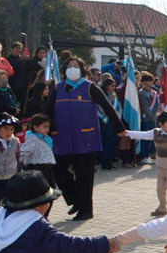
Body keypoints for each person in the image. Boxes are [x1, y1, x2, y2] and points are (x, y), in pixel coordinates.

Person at [43, 57, 126, 220]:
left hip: (85, 138)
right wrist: (41, 129)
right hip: (61, 138)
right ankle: (75, 199)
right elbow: (48, 111)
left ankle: (86, 209)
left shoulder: (90, 88)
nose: (72, 68)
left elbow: (107, 108)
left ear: (82, 70)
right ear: (64, 70)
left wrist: (119, 127)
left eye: (76, 66)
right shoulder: (58, 88)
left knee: (84, 176)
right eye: (69, 66)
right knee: (58, 171)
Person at [20, 114, 58, 211]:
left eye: (48, 127)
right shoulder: (32, 139)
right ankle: (38, 215)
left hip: (48, 168)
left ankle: (44, 215)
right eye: (44, 127)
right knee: (41, 195)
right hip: (37, 169)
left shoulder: (45, 139)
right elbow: (22, 151)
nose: (47, 129)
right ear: (35, 127)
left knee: (51, 193)